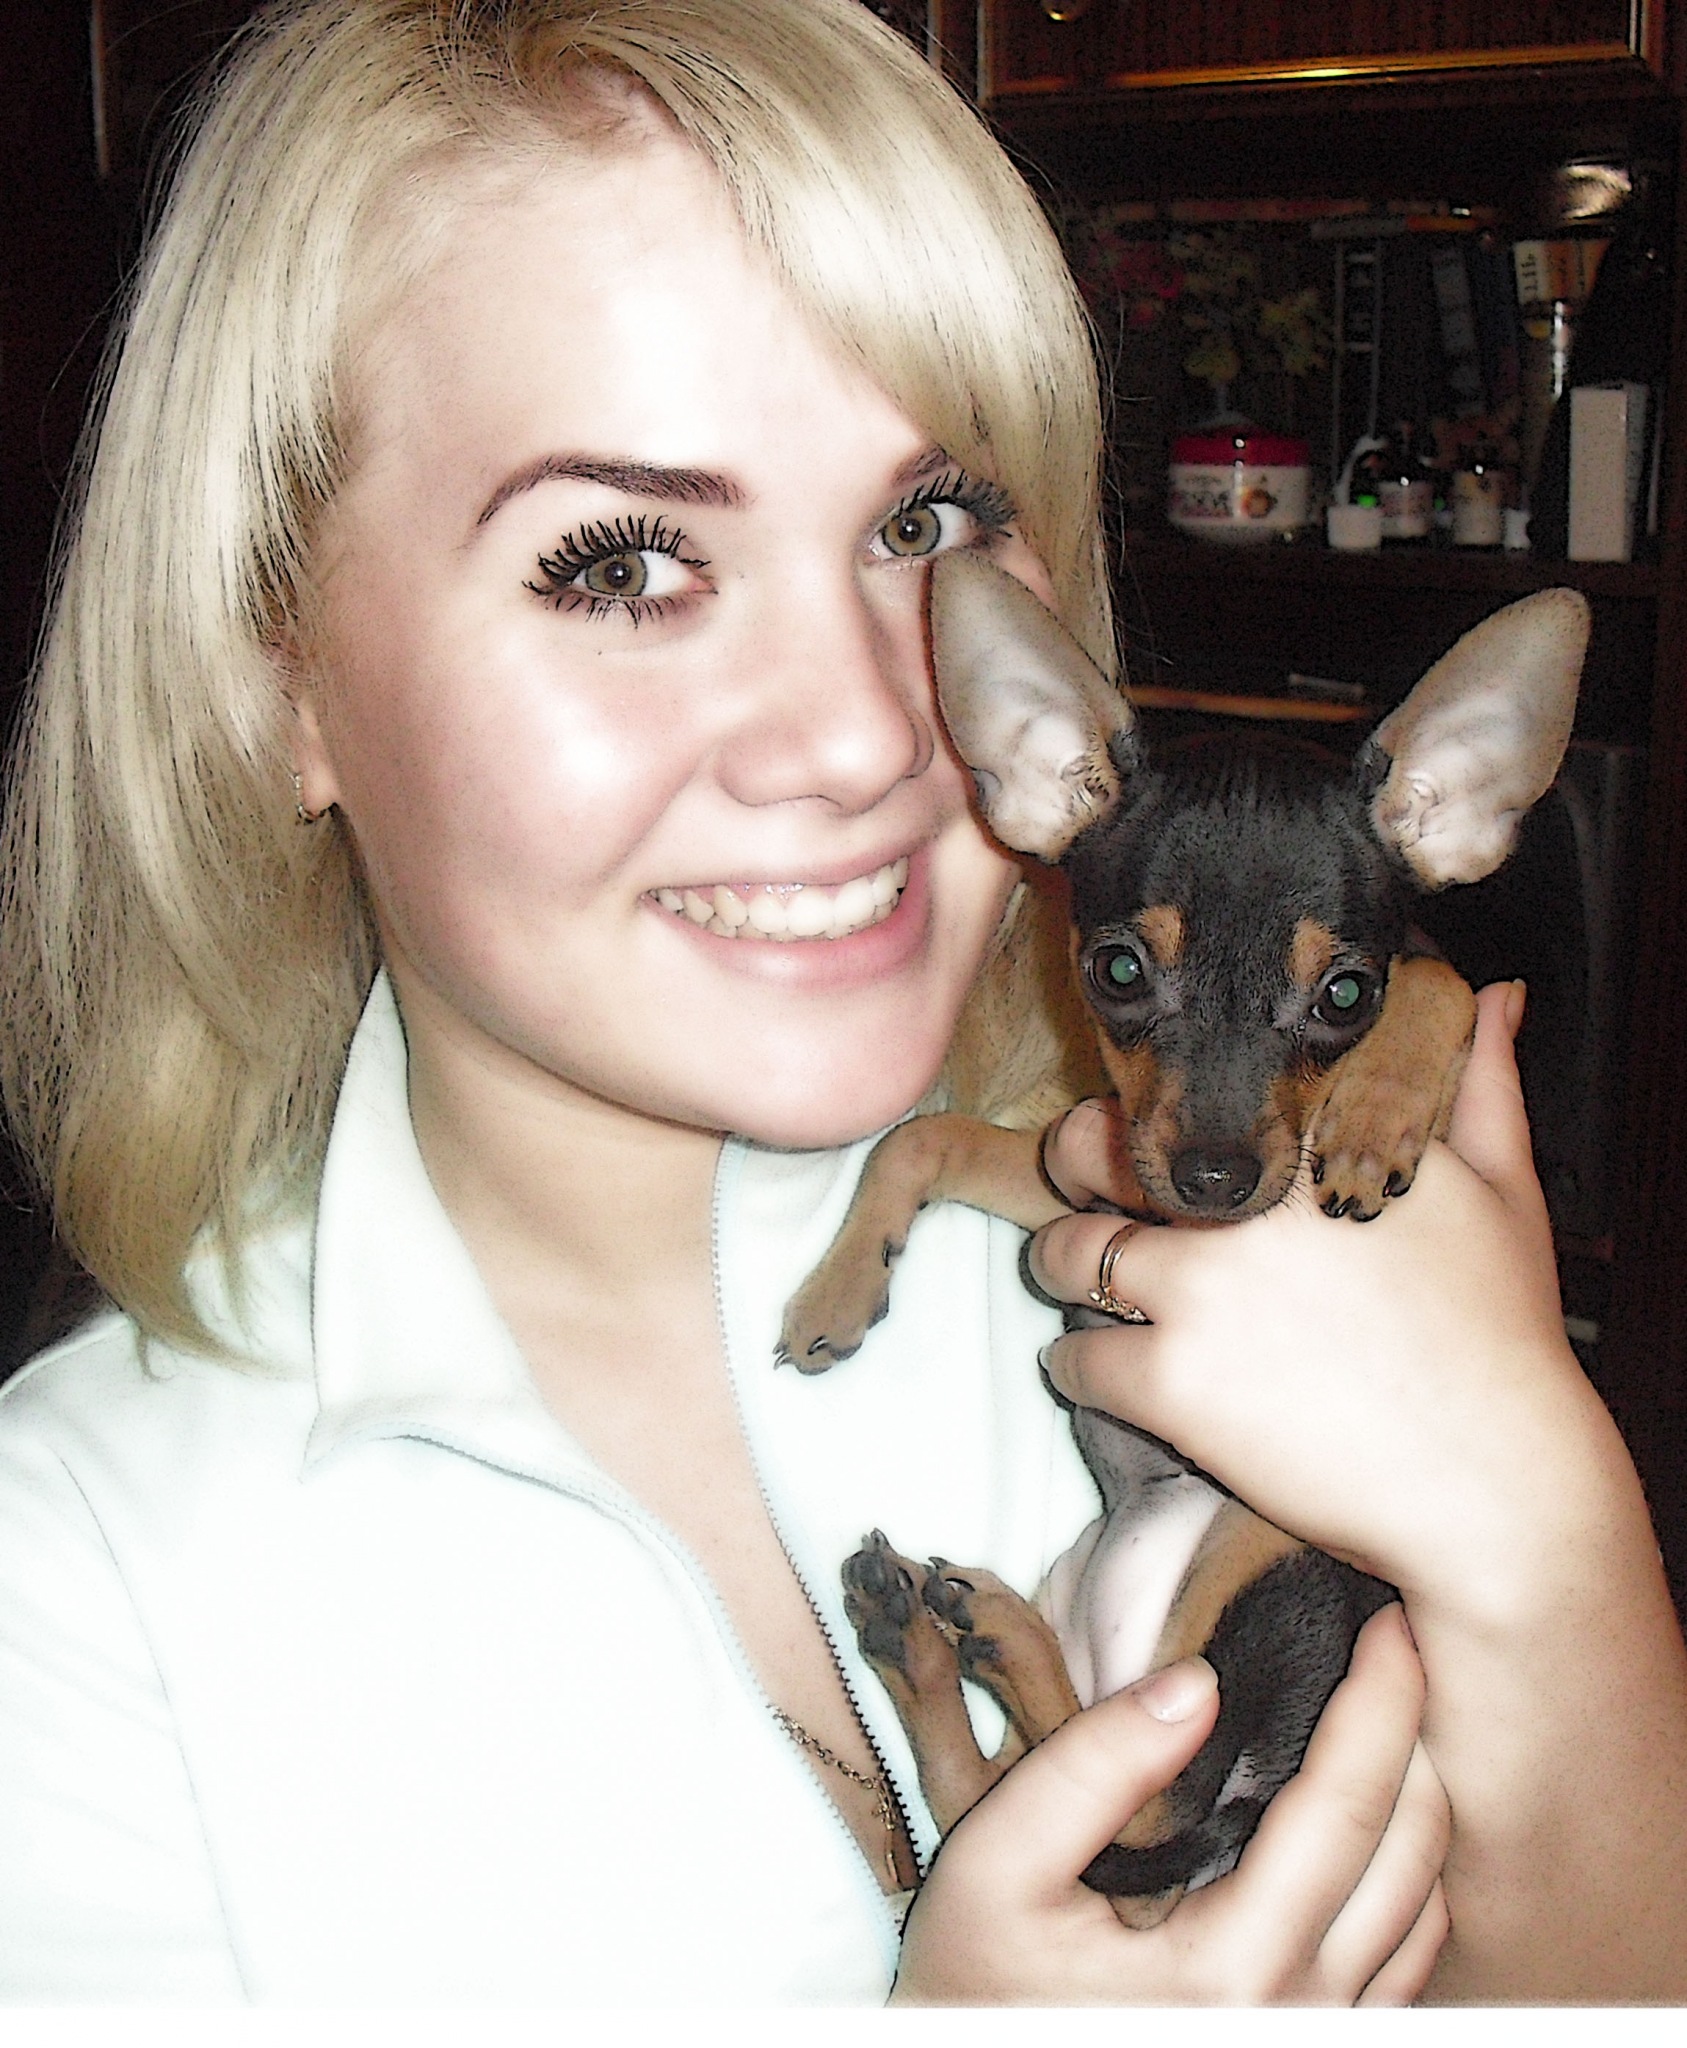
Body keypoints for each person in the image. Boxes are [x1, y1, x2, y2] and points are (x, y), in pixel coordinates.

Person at [0, 0, 1679, 2005]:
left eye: (926, 524)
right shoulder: (71, 1605)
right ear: (272, 678)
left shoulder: (1217, 1251)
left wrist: (1552, 1546)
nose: (867, 732)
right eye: (620, 564)